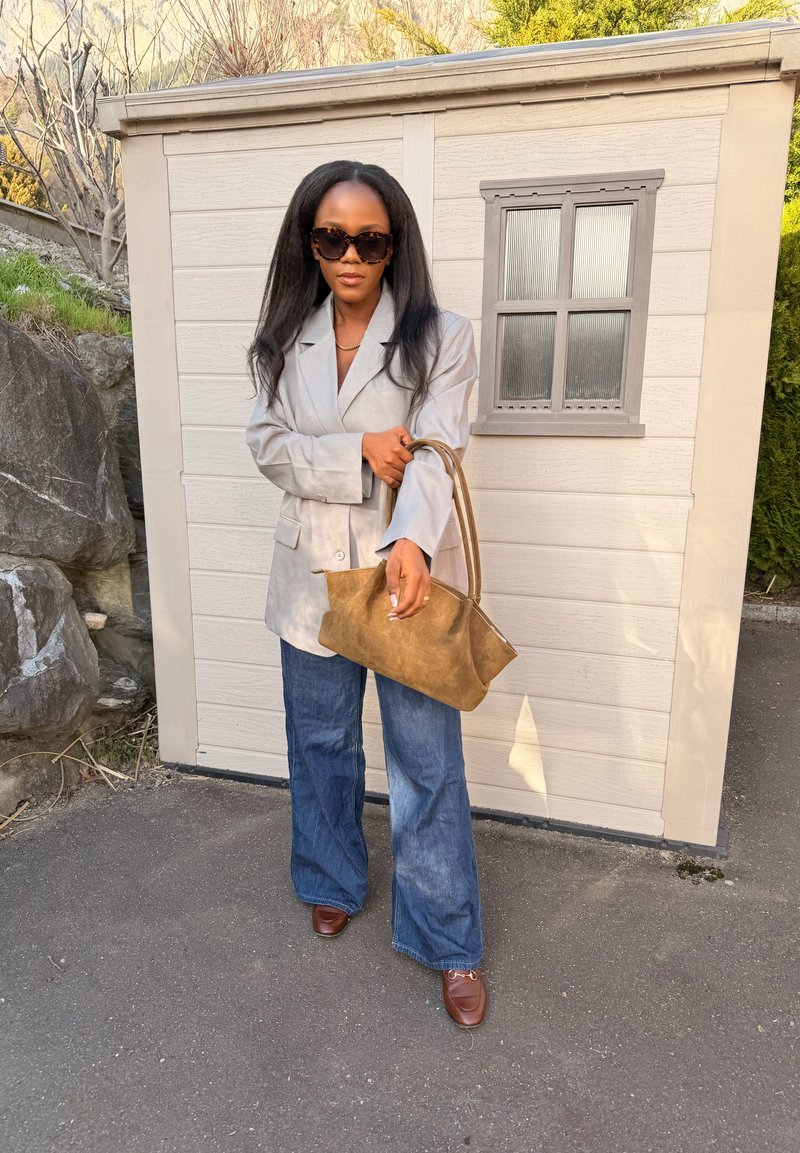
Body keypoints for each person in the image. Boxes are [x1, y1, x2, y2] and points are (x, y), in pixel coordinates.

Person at [244, 160, 487, 1029]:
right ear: (309, 242)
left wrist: (414, 540)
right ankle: (330, 878)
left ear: (395, 245)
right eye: (332, 238)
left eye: (370, 240)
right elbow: (267, 443)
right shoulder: (284, 335)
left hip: (399, 574)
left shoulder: (441, 335)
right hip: (308, 572)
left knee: (426, 763)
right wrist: (354, 449)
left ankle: (449, 937)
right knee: (320, 742)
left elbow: (437, 447)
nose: (351, 256)